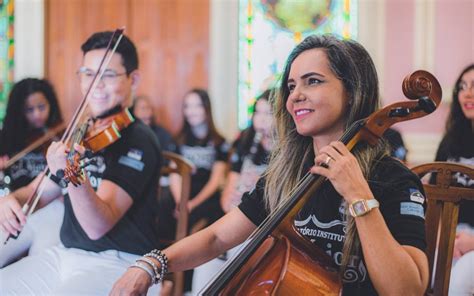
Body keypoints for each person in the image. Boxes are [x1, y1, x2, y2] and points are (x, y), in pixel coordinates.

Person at [111, 34, 429, 295]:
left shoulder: (394, 180)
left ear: (352, 91)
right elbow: (217, 238)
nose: (294, 97)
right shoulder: (288, 176)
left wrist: (359, 195)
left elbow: (408, 290)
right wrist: (152, 264)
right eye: (291, 86)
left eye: (313, 81)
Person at [0, 31, 162, 295]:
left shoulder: (138, 140)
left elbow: (97, 226)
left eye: (107, 75)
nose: (95, 84)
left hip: (120, 263)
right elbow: (36, 192)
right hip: (65, 255)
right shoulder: (82, 132)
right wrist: (11, 202)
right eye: (87, 73)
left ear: (133, 79)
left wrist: (69, 171)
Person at [192, 89, 275, 292]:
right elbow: (227, 196)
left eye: (268, 113)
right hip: (239, 218)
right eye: (258, 112)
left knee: (240, 255)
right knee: (205, 262)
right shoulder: (245, 142)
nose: (261, 119)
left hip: (267, 227)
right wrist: (235, 200)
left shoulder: (289, 149)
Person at [0, 78, 64, 267]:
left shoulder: (59, 136)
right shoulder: (6, 138)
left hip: (50, 208)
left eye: (42, 107)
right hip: (15, 207)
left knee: (41, 259)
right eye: (29, 110)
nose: (37, 114)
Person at [433, 63, 474, 295]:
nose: (467, 93)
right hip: (448, 234)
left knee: (459, 283)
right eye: (462, 86)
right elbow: (436, 197)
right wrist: (440, 235)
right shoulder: (449, 141)